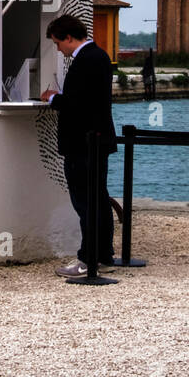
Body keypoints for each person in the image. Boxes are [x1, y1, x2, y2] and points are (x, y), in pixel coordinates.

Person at [40, 14, 116, 277]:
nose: (59, 50)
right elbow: (90, 101)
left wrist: (53, 99)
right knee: (99, 198)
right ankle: (104, 254)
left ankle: (87, 260)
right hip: (98, 140)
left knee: (85, 202)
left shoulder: (84, 61)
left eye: (58, 43)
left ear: (69, 38)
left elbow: (77, 105)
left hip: (82, 143)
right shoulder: (100, 56)